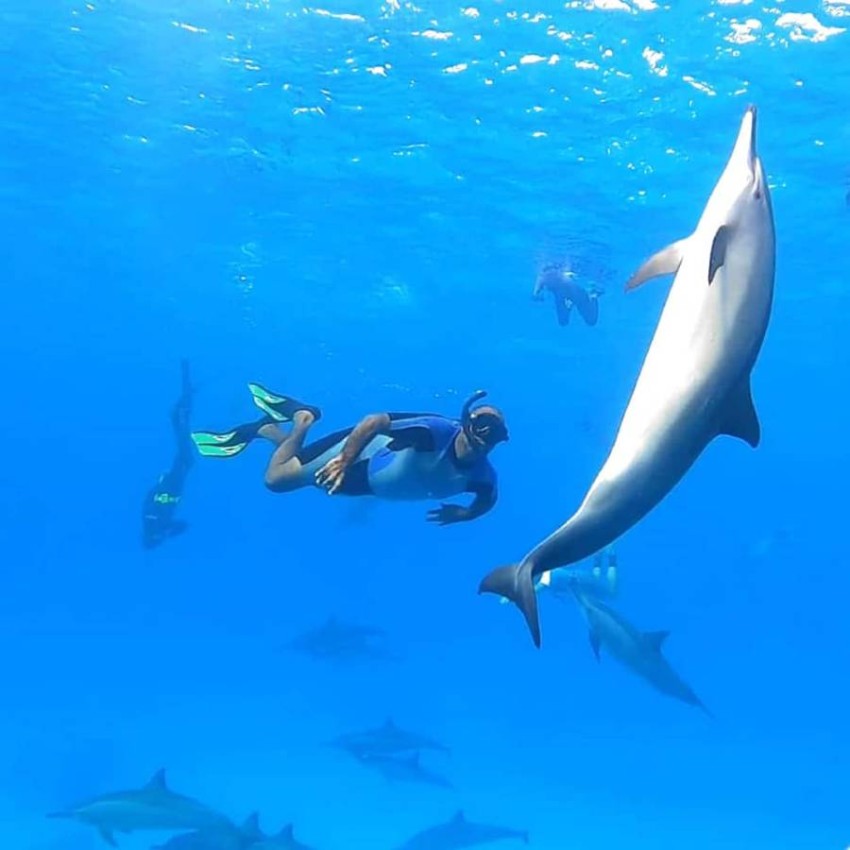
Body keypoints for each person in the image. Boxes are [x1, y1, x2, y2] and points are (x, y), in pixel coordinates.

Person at [191, 384, 508, 525]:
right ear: (466, 423)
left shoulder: (483, 478)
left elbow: (488, 500)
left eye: (493, 433)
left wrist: (465, 515)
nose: (484, 439)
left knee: (300, 478)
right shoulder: (434, 432)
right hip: (361, 455)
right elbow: (375, 421)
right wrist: (343, 460)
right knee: (276, 480)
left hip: (372, 485)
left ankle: (270, 432)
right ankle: (303, 417)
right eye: (481, 425)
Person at [142, 359, 195, 549]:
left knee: (186, 454)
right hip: (175, 483)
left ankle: (179, 412)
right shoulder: (161, 525)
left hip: (172, 482)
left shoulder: (151, 520)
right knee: (187, 454)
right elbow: (182, 525)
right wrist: (169, 531)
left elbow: (151, 501)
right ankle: (182, 408)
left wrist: (163, 484)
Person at [533, 260, 604, 327]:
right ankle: (592, 295)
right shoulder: (542, 278)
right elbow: (535, 294)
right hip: (563, 298)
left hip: (577, 296)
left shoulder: (561, 276)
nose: (550, 273)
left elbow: (536, 294)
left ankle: (593, 295)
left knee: (591, 321)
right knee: (563, 322)